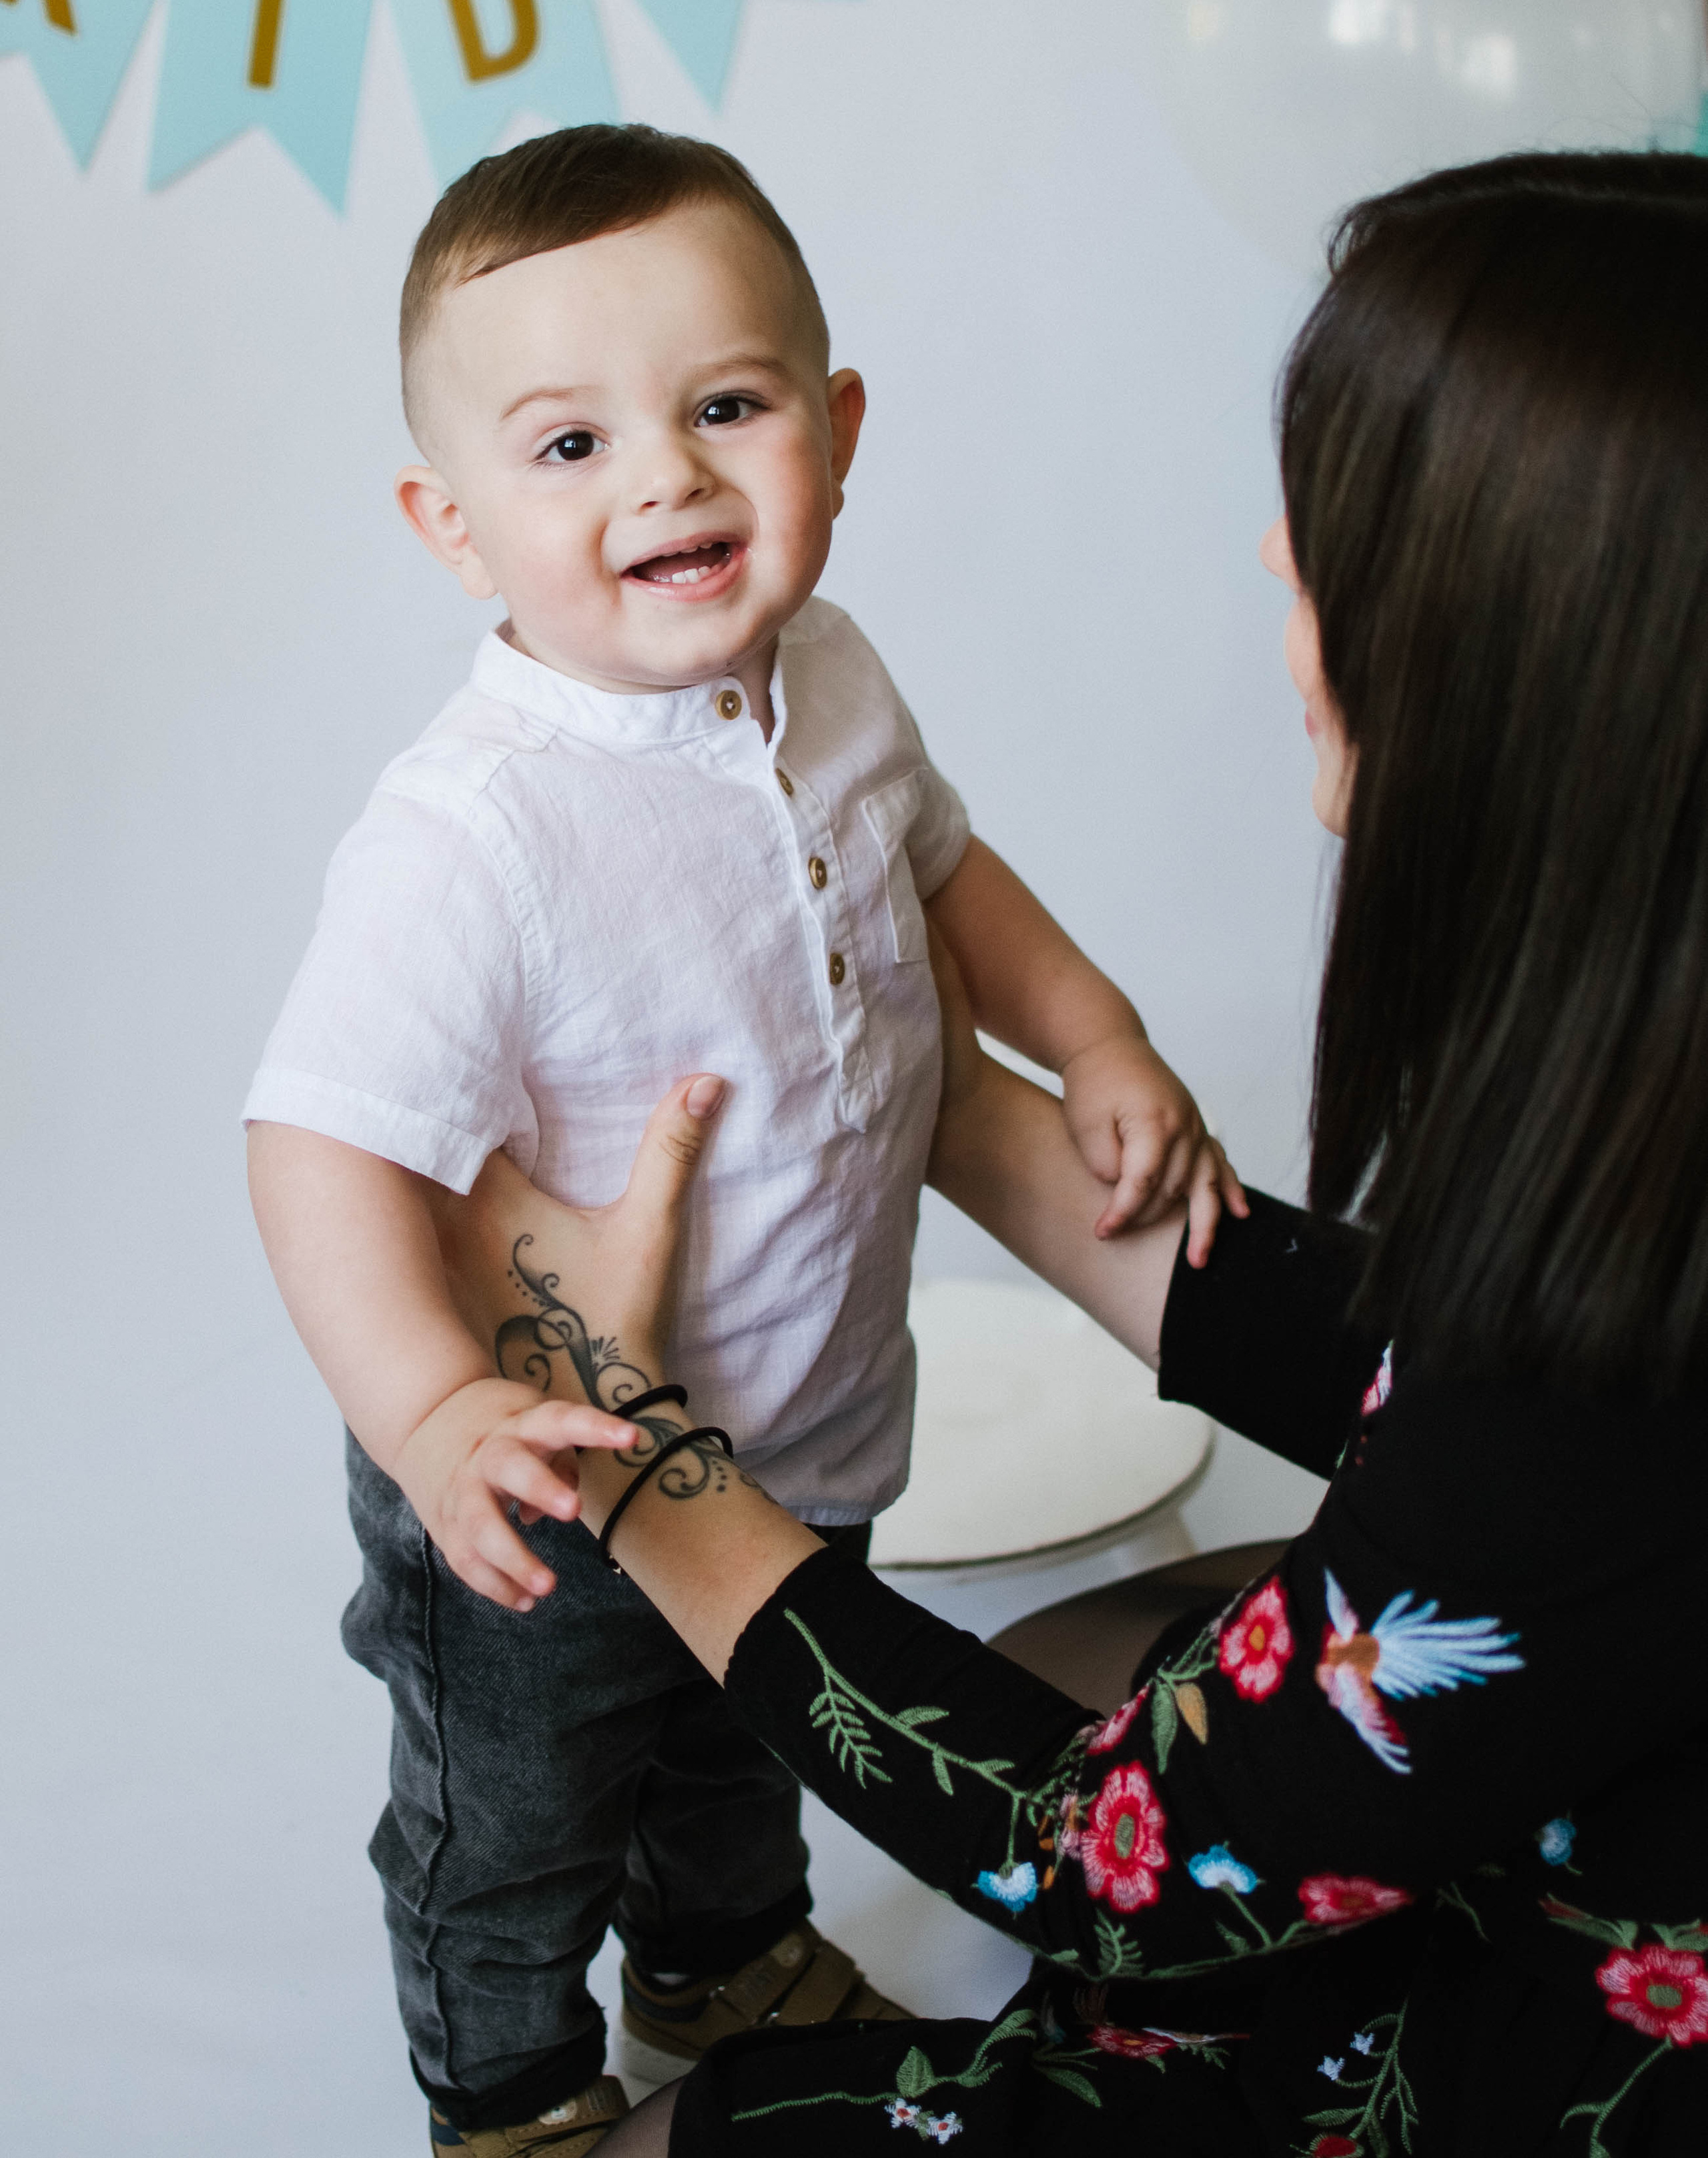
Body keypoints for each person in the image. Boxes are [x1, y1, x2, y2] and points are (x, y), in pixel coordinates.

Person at [428, 151, 1708, 2154]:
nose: (1280, 566)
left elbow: (1113, 1855)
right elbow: (1470, 1383)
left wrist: (627, 1441)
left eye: (1337, 536)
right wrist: (930, 1092)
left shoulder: (1567, 1436)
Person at [243, 124, 1240, 2155]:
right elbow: (315, 1145)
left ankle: (720, 1958)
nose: (667, 481)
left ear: (837, 429)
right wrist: (439, 1417)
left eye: (722, 408)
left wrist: (1096, 1032)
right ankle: (508, 2086)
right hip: (547, 1472)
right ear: (453, 527)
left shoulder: (836, 677)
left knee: (741, 1740)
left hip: (805, 1407)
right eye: (570, 447)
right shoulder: (475, 834)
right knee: (518, 1814)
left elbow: (953, 876)